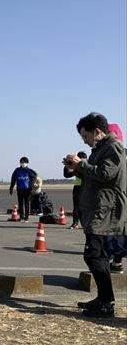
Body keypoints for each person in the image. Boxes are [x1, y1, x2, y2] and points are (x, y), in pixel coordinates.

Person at [63, 113, 126, 318]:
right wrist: (76, 167)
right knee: (98, 256)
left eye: (85, 136)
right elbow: (94, 175)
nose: (85, 140)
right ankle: (104, 299)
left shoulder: (113, 147)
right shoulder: (100, 149)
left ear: (97, 132)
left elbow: (106, 174)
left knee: (94, 255)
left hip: (105, 213)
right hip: (97, 211)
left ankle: (106, 302)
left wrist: (81, 164)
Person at [106, 123, 125, 273]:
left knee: (110, 232)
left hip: (113, 200)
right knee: (121, 232)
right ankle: (117, 263)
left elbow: (105, 174)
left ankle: (107, 263)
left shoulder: (112, 153)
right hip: (122, 200)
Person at [63, 151, 87, 229]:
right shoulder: (77, 167)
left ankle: (85, 223)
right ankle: (75, 223)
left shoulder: (88, 166)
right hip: (78, 187)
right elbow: (67, 175)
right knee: (76, 207)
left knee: (86, 207)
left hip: (87, 187)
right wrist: (67, 166)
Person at [9, 157, 37, 223]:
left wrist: (32, 186)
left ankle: (26, 218)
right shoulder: (17, 170)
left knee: (27, 204)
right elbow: (13, 179)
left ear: (27, 163)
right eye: (22, 162)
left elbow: (35, 176)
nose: (23, 163)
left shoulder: (29, 170)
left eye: (24, 162)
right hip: (19, 189)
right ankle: (21, 217)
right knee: (20, 204)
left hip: (27, 190)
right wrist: (11, 188)